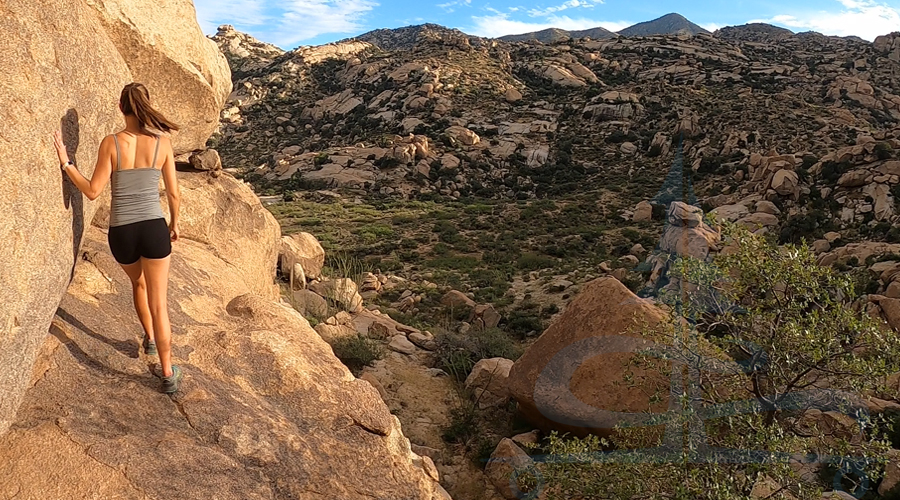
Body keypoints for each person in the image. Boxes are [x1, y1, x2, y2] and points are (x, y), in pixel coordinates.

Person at [54, 83, 183, 394]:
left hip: (122, 232)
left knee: (137, 284)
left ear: (120, 107)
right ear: (146, 106)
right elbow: (175, 194)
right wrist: (175, 224)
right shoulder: (162, 144)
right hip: (153, 227)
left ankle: (150, 339)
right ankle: (167, 373)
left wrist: (66, 163)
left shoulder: (111, 143)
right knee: (160, 303)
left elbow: (92, 190)